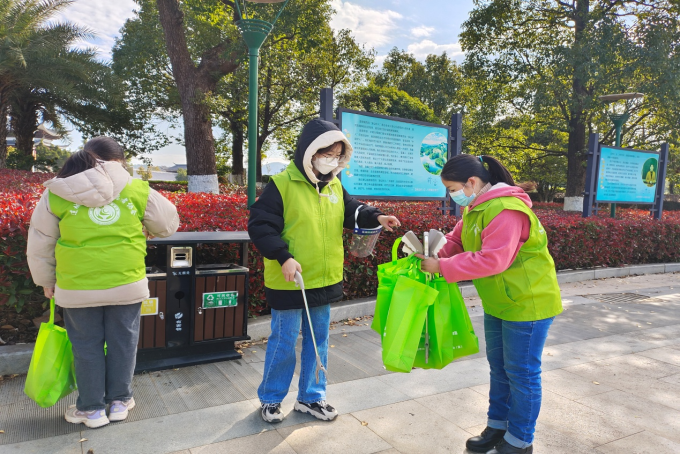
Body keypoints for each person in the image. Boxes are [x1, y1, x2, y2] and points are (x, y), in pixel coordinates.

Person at [248, 118, 401, 423]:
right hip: (291, 279)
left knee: (318, 342)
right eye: (326, 153)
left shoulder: (333, 185)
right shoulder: (281, 185)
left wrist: (378, 217)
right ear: (310, 152)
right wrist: (283, 256)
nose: (331, 160)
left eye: (336, 155)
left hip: (324, 277)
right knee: (284, 341)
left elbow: (352, 209)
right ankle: (271, 398)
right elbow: (260, 226)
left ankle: (311, 397)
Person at [27, 137, 179, 429]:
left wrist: (47, 281)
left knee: (86, 347)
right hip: (127, 282)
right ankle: (120, 401)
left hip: (76, 286)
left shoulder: (57, 191)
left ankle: (92, 409)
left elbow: (40, 243)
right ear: (118, 161)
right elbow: (168, 224)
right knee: (124, 343)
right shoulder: (136, 188)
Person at [418, 154, 562, 454]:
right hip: (499, 301)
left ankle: (520, 441)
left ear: (471, 182)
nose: (452, 195)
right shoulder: (475, 208)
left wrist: (441, 268)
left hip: (527, 304)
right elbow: (455, 242)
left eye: (453, 188)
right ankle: (498, 426)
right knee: (500, 368)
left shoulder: (505, 209)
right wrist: (431, 251)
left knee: (521, 373)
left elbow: (493, 259)